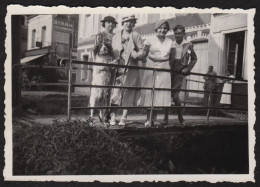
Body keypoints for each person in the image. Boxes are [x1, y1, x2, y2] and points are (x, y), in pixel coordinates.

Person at [131, 19, 174, 126]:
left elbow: (172, 60)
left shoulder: (170, 42)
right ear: (156, 29)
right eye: (160, 28)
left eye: (165, 28)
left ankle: (153, 119)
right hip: (151, 68)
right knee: (150, 93)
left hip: (164, 70)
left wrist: (168, 69)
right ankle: (148, 119)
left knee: (160, 93)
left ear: (167, 30)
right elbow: (144, 54)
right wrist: (136, 54)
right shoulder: (149, 40)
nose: (163, 30)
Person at [110, 15, 144, 126]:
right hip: (118, 67)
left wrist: (136, 54)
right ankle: (113, 116)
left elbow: (142, 52)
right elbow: (111, 51)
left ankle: (124, 117)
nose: (128, 24)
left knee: (129, 92)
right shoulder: (116, 36)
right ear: (122, 23)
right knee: (115, 92)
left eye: (131, 22)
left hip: (131, 67)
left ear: (134, 23)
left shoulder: (136, 35)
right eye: (126, 21)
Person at [164, 24, 197, 126]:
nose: (177, 35)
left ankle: (181, 118)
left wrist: (188, 68)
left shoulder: (188, 45)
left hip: (180, 71)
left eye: (179, 33)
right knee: (166, 95)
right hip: (170, 70)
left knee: (175, 96)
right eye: (176, 34)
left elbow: (194, 58)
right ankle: (165, 118)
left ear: (183, 34)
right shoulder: (171, 44)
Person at [94, 16, 117, 122]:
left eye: (112, 23)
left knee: (111, 91)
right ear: (104, 24)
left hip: (113, 65)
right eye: (108, 22)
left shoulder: (116, 36)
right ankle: (100, 113)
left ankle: (107, 114)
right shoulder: (100, 35)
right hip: (102, 66)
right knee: (100, 92)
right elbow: (96, 52)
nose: (111, 25)